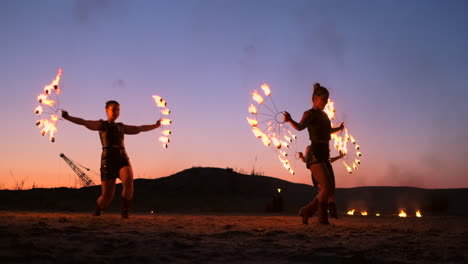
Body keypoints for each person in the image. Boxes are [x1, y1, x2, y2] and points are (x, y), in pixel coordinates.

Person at [62, 100, 161, 218]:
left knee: (129, 181)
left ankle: (124, 213)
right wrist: (68, 117)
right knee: (107, 197)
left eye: (118, 109)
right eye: (114, 109)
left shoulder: (121, 127)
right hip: (108, 159)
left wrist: (156, 125)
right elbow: (85, 122)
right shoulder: (101, 125)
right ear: (107, 110)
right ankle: (98, 209)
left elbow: (139, 129)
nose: (116, 112)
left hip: (122, 156)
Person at [283, 83, 344, 224]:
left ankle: (323, 220)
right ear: (315, 98)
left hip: (324, 154)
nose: (326, 102)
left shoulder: (324, 115)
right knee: (326, 187)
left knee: (329, 190)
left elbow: (328, 131)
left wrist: (339, 129)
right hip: (314, 153)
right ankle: (307, 211)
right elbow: (299, 127)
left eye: (327, 100)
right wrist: (290, 120)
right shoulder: (309, 114)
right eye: (323, 99)